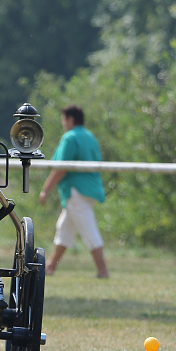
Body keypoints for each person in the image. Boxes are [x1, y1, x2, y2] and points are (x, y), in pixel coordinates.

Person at [39, 105, 109, 278]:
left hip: (76, 191)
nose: (63, 124)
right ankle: (50, 267)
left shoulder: (70, 137)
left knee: (89, 231)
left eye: (64, 120)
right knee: (64, 230)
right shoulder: (90, 136)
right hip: (90, 189)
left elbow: (60, 168)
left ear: (70, 119)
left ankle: (103, 271)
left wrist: (45, 190)